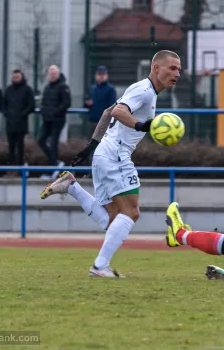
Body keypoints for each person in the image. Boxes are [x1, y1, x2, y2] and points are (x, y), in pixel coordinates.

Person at [39, 50, 182, 278]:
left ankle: (72, 187)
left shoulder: (146, 91)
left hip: (105, 152)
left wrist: (91, 146)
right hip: (116, 154)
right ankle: (99, 267)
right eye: (172, 68)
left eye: (179, 70)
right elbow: (118, 111)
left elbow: (107, 113)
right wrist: (140, 126)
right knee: (132, 212)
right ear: (156, 68)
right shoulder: (144, 90)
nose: (177, 73)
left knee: (113, 219)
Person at [37, 65, 71, 179]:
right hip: (47, 119)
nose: (52, 75)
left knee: (53, 144)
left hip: (58, 120)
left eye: (54, 73)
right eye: (50, 73)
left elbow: (66, 103)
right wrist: (44, 110)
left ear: (58, 74)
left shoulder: (63, 87)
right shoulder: (47, 87)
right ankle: (55, 163)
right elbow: (44, 102)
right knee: (41, 140)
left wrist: (55, 112)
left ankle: (52, 170)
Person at [3, 69, 35, 177]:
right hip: (10, 123)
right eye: (14, 77)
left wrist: (21, 115)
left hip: (21, 123)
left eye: (17, 77)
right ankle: (10, 169)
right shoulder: (8, 90)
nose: (15, 79)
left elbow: (31, 106)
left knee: (20, 147)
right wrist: (8, 114)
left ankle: (18, 169)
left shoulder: (27, 89)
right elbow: (4, 105)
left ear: (21, 77)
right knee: (10, 147)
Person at [85, 66, 117, 138]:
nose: (101, 76)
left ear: (106, 76)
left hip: (104, 122)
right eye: (99, 74)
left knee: (102, 144)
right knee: (91, 144)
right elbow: (86, 103)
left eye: (103, 74)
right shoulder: (92, 88)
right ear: (96, 75)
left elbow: (112, 106)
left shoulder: (110, 89)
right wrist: (88, 104)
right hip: (92, 121)